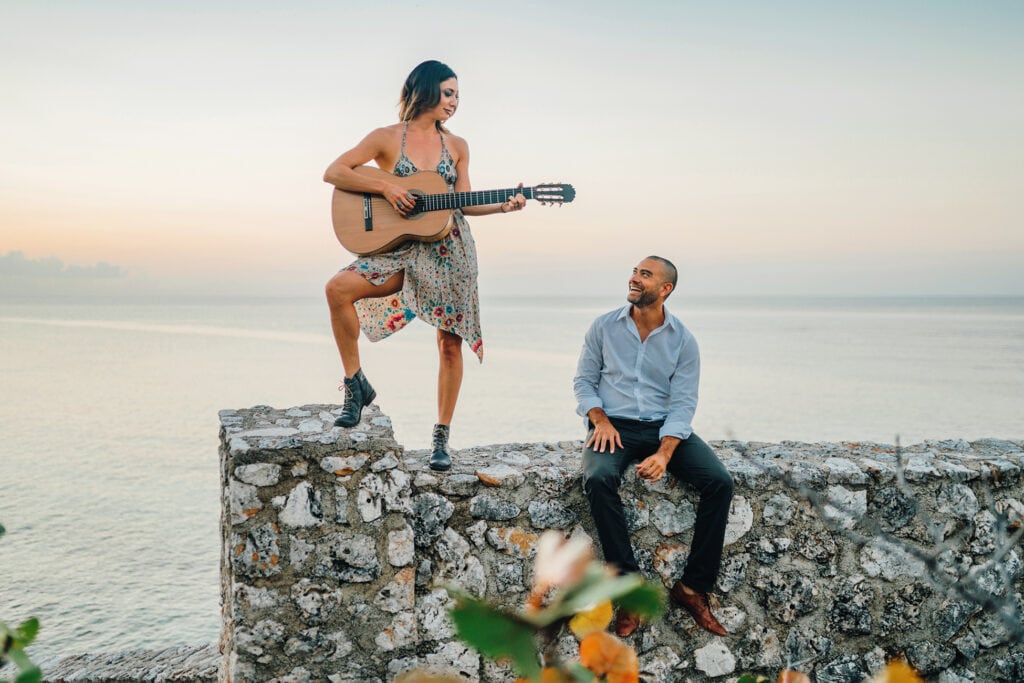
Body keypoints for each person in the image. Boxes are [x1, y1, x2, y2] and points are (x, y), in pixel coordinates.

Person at [323, 60, 526, 471]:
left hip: (450, 251)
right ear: (427, 91)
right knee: (337, 289)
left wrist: (505, 206)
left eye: (457, 95)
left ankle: (441, 438)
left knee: (449, 344)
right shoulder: (384, 138)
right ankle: (355, 384)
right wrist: (386, 185)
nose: (454, 102)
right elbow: (335, 171)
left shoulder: (458, 146)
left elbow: (464, 203)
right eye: (449, 93)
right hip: (398, 247)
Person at [573, 256, 734, 638]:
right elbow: (583, 382)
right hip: (614, 426)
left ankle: (692, 587)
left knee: (720, 482)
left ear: (665, 289)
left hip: (665, 428)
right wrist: (601, 420)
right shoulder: (603, 327)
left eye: (645, 274)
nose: (634, 278)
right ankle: (628, 589)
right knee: (597, 479)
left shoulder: (683, 340)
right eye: (634, 271)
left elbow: (683, 403)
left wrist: (665, 452)